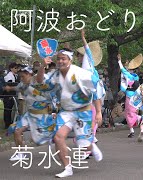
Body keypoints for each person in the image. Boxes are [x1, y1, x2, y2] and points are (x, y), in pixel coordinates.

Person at [36, 48, 103, 178]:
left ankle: (91, 146)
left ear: (70, 60)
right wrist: (43, 66)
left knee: (83, 145)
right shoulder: (55, 75)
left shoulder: (81, 74)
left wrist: (99, 112)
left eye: (63, 58)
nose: (60, 61)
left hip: (82, 111)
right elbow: (39, 80)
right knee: (58, 137)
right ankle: (67, 168)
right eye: (59, 59)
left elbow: (96, 92)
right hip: (65, 112)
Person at [5, 67, 56, 161]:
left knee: (48, 135)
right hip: (29, 114)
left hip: (43, 115)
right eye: (20, 77)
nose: (21, 79)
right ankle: (21, 153)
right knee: (17, 130)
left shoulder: (39, 81)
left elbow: (43, 78)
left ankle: (55, 143)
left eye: (23, 76)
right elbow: (18, 87)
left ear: (29, 74)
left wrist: (43, 64)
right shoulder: (23, 84)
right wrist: (9, 88)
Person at [76, 29, 105, 144]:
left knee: (91, 118)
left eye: (79, 56)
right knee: (90, 119)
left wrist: (83, 38)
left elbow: (87, 50)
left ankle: (89, 142)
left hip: (93, 95)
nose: (78, 58)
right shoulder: (85, 68)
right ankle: (92, 138)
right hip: (90, 95)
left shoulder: (88, 64)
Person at [118, 53, 142, 138]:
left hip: (129, 96)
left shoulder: (128, 75)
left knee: (128, 112)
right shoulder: (136, 77)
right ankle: (132, 127)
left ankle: (137, 121)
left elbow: (122, 70)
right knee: (132, 111)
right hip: (136, 96)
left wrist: (119, 61)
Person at [3, 62, 19, 129]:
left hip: (13, 95)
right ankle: (7, 123)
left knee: (12, 109)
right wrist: (9, 95)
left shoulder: (15, 75)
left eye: (17, 68)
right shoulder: (8, 76)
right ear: (11, 68)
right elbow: (8, 86)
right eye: (15, 68)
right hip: (8, 95)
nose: (16, 69)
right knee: (7, 109)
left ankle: (11, 122)